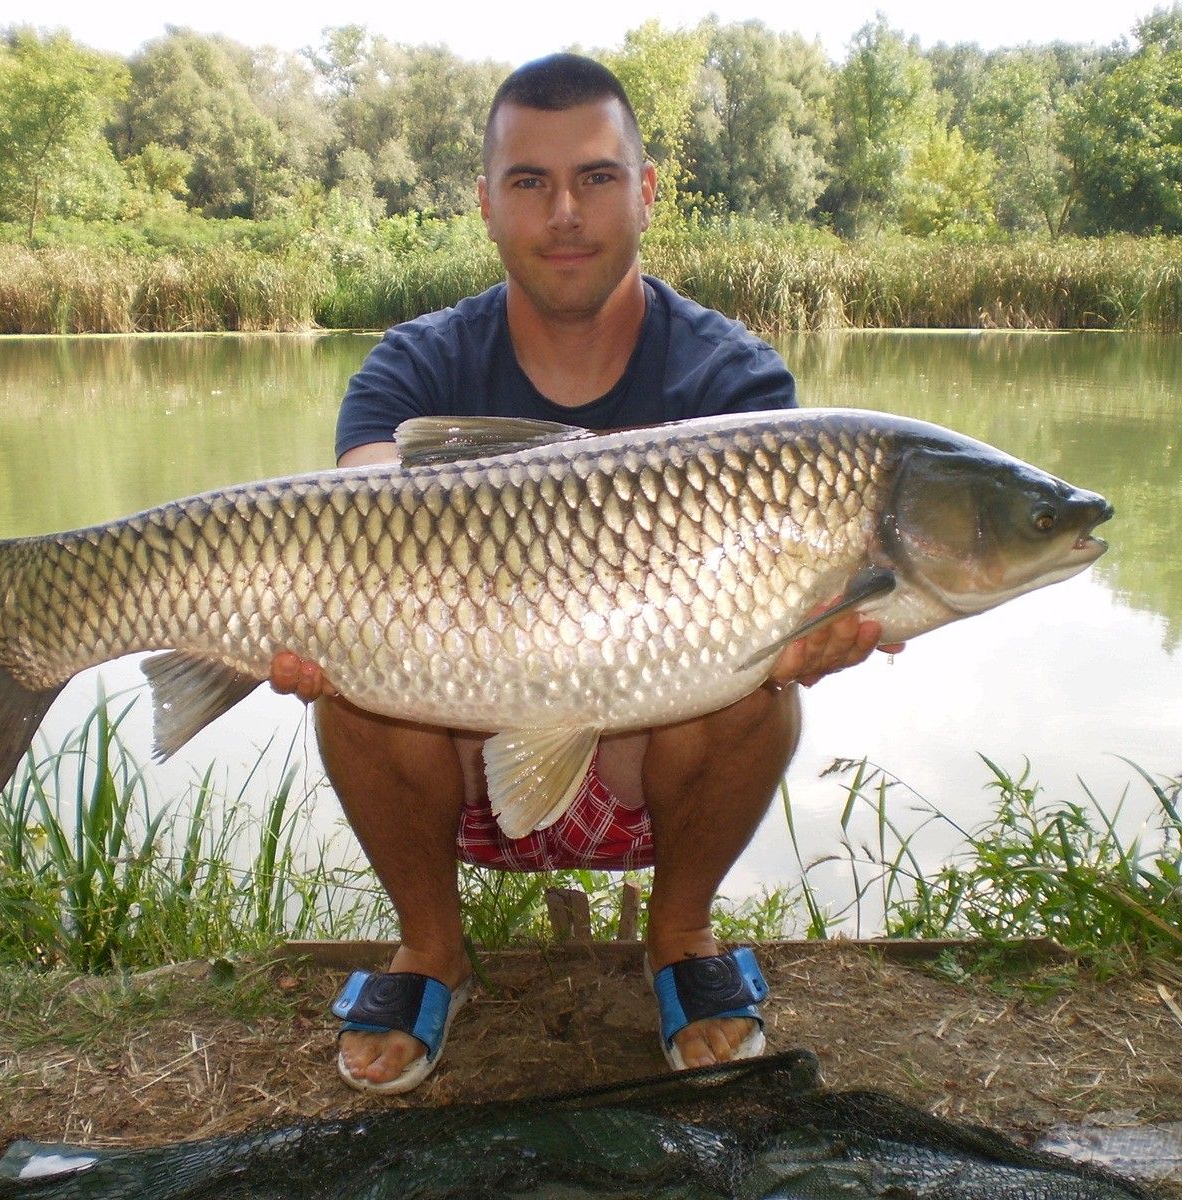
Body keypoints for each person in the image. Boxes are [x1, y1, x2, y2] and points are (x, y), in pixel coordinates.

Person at [270, 53, 898, 1094]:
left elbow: (785, 616)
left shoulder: (735, 378)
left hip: (647, 765)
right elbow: (365, 515)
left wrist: (809, 638)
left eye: (596, 178)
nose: (565, 211)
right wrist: (313, 622)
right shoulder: (414, 364)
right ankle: (431, 948)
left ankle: (680, 939)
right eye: (530, 182)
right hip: (461, 753)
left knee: (756, 679)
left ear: (645, 191)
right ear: (486, 204)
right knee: (356, 671)